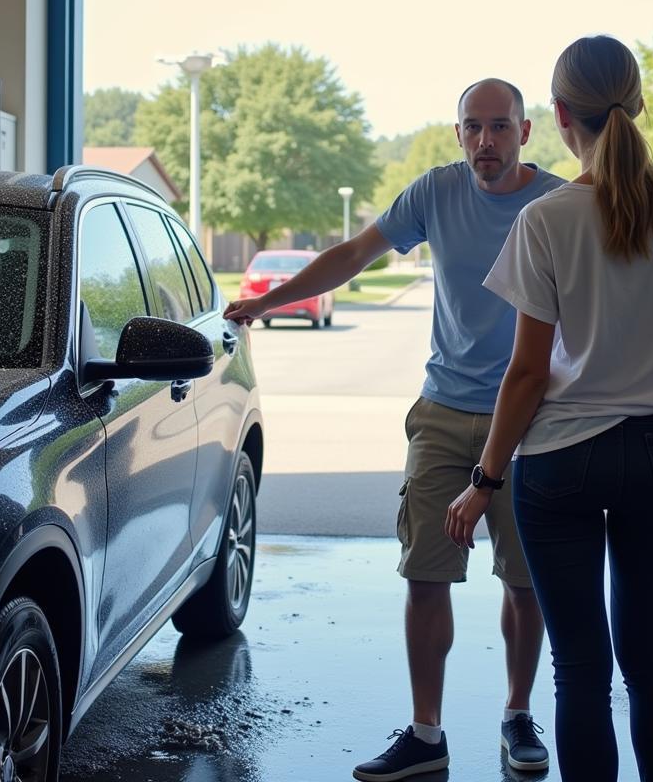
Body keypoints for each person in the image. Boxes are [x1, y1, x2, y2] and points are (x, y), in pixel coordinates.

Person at [223, 78, 565, 780]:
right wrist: (268, 301)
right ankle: (425, 731)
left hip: (531, 418)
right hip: (443, 411)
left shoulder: (557, 203)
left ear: (526, 133)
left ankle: (518, 714)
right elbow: (353, 256)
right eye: (472, 126)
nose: (485, 141)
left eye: (500, 127)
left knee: (525, 582)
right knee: (424, 572)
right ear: (458, 132)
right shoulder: (434, 194)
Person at [445, 36, 653, 782]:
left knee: (582, 667)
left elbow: (525, 374)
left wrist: (483, 481)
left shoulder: (546, 220)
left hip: (562, 462)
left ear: (558, 114)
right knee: (649, 655)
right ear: (637, 103)